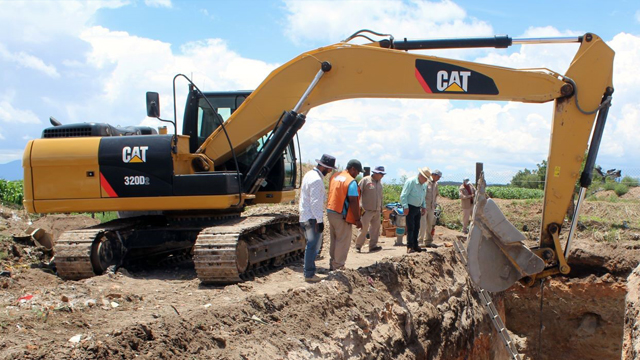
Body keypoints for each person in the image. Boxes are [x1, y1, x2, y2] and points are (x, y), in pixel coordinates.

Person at [299, 154, 336, 283]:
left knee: (311, 244)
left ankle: (309, 271)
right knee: (312, 245)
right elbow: (315, 203)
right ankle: (309, 274)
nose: (330, 171)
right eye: (329, 168)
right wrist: (319, 221)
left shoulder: (309, 175)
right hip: (312, 218)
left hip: (305, 216)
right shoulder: (316, 180)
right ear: (324, 167)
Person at [327, 159, 363, 271]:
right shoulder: (350, 181)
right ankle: (338, 267)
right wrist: (357, 219)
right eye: (357, 172)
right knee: (342, 241)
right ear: (352, 169)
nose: (357, 175)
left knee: (334, 239)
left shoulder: (335, 176)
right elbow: (353, 201)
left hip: (331, 211)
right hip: (342, 215)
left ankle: (332, 263)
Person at [400, 167, 431, 253]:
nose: (425, 180)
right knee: (410, 227)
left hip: (418, 208)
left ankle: (415, 245)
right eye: (425, 178)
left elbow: (423, 197)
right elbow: (403, 195)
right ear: (420, 175)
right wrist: (405, 207)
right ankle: (409, 246)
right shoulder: (411, 182)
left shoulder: (423, 185)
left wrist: (424, 206)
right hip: (410, 207)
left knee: (417, 227)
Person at [355, 165, 385, 253]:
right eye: (380, 174)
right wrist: (359, 205)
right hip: (366, 210)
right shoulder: (365, 180)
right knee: (363, 229)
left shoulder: (380, 183)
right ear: (375, 173)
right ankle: (358, 246)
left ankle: (373, 246)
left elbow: (381, 196)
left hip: (377, 210)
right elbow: (358, 192)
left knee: (375, 229)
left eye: (383, 174)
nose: (382, 176)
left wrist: (381, 207)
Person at [418, 169, 442, 248]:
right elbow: (422, 195)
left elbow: (436, 194)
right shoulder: (426, 182)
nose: (439, 178)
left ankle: (428, 241)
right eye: (438, 177)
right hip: (424, 207)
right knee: (422, 224)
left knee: (430, 224)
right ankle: (420, 241)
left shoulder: (436, 184)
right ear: (433, 175)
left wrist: (435, 203)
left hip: (432, 207)